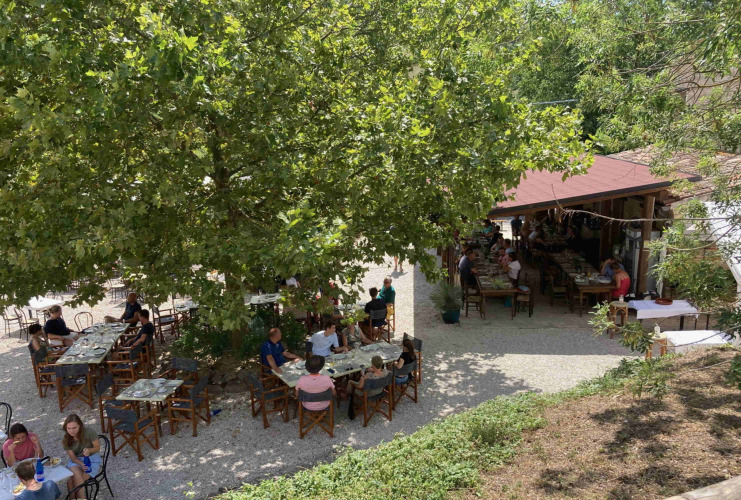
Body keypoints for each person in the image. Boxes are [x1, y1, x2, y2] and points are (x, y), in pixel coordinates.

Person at [62, 414, 101, 499]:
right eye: (69, 428)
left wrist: (89, 450)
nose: (71, 431)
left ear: (80, 425)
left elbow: (97, 448)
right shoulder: (66, 439)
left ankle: (76, 498)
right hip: (77, 461)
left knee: (71, 481)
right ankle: (82, 498)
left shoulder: (89, 432)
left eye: (74, 428)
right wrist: (82, 464)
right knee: (75, 473)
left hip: (91, 459)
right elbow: (73, 458)